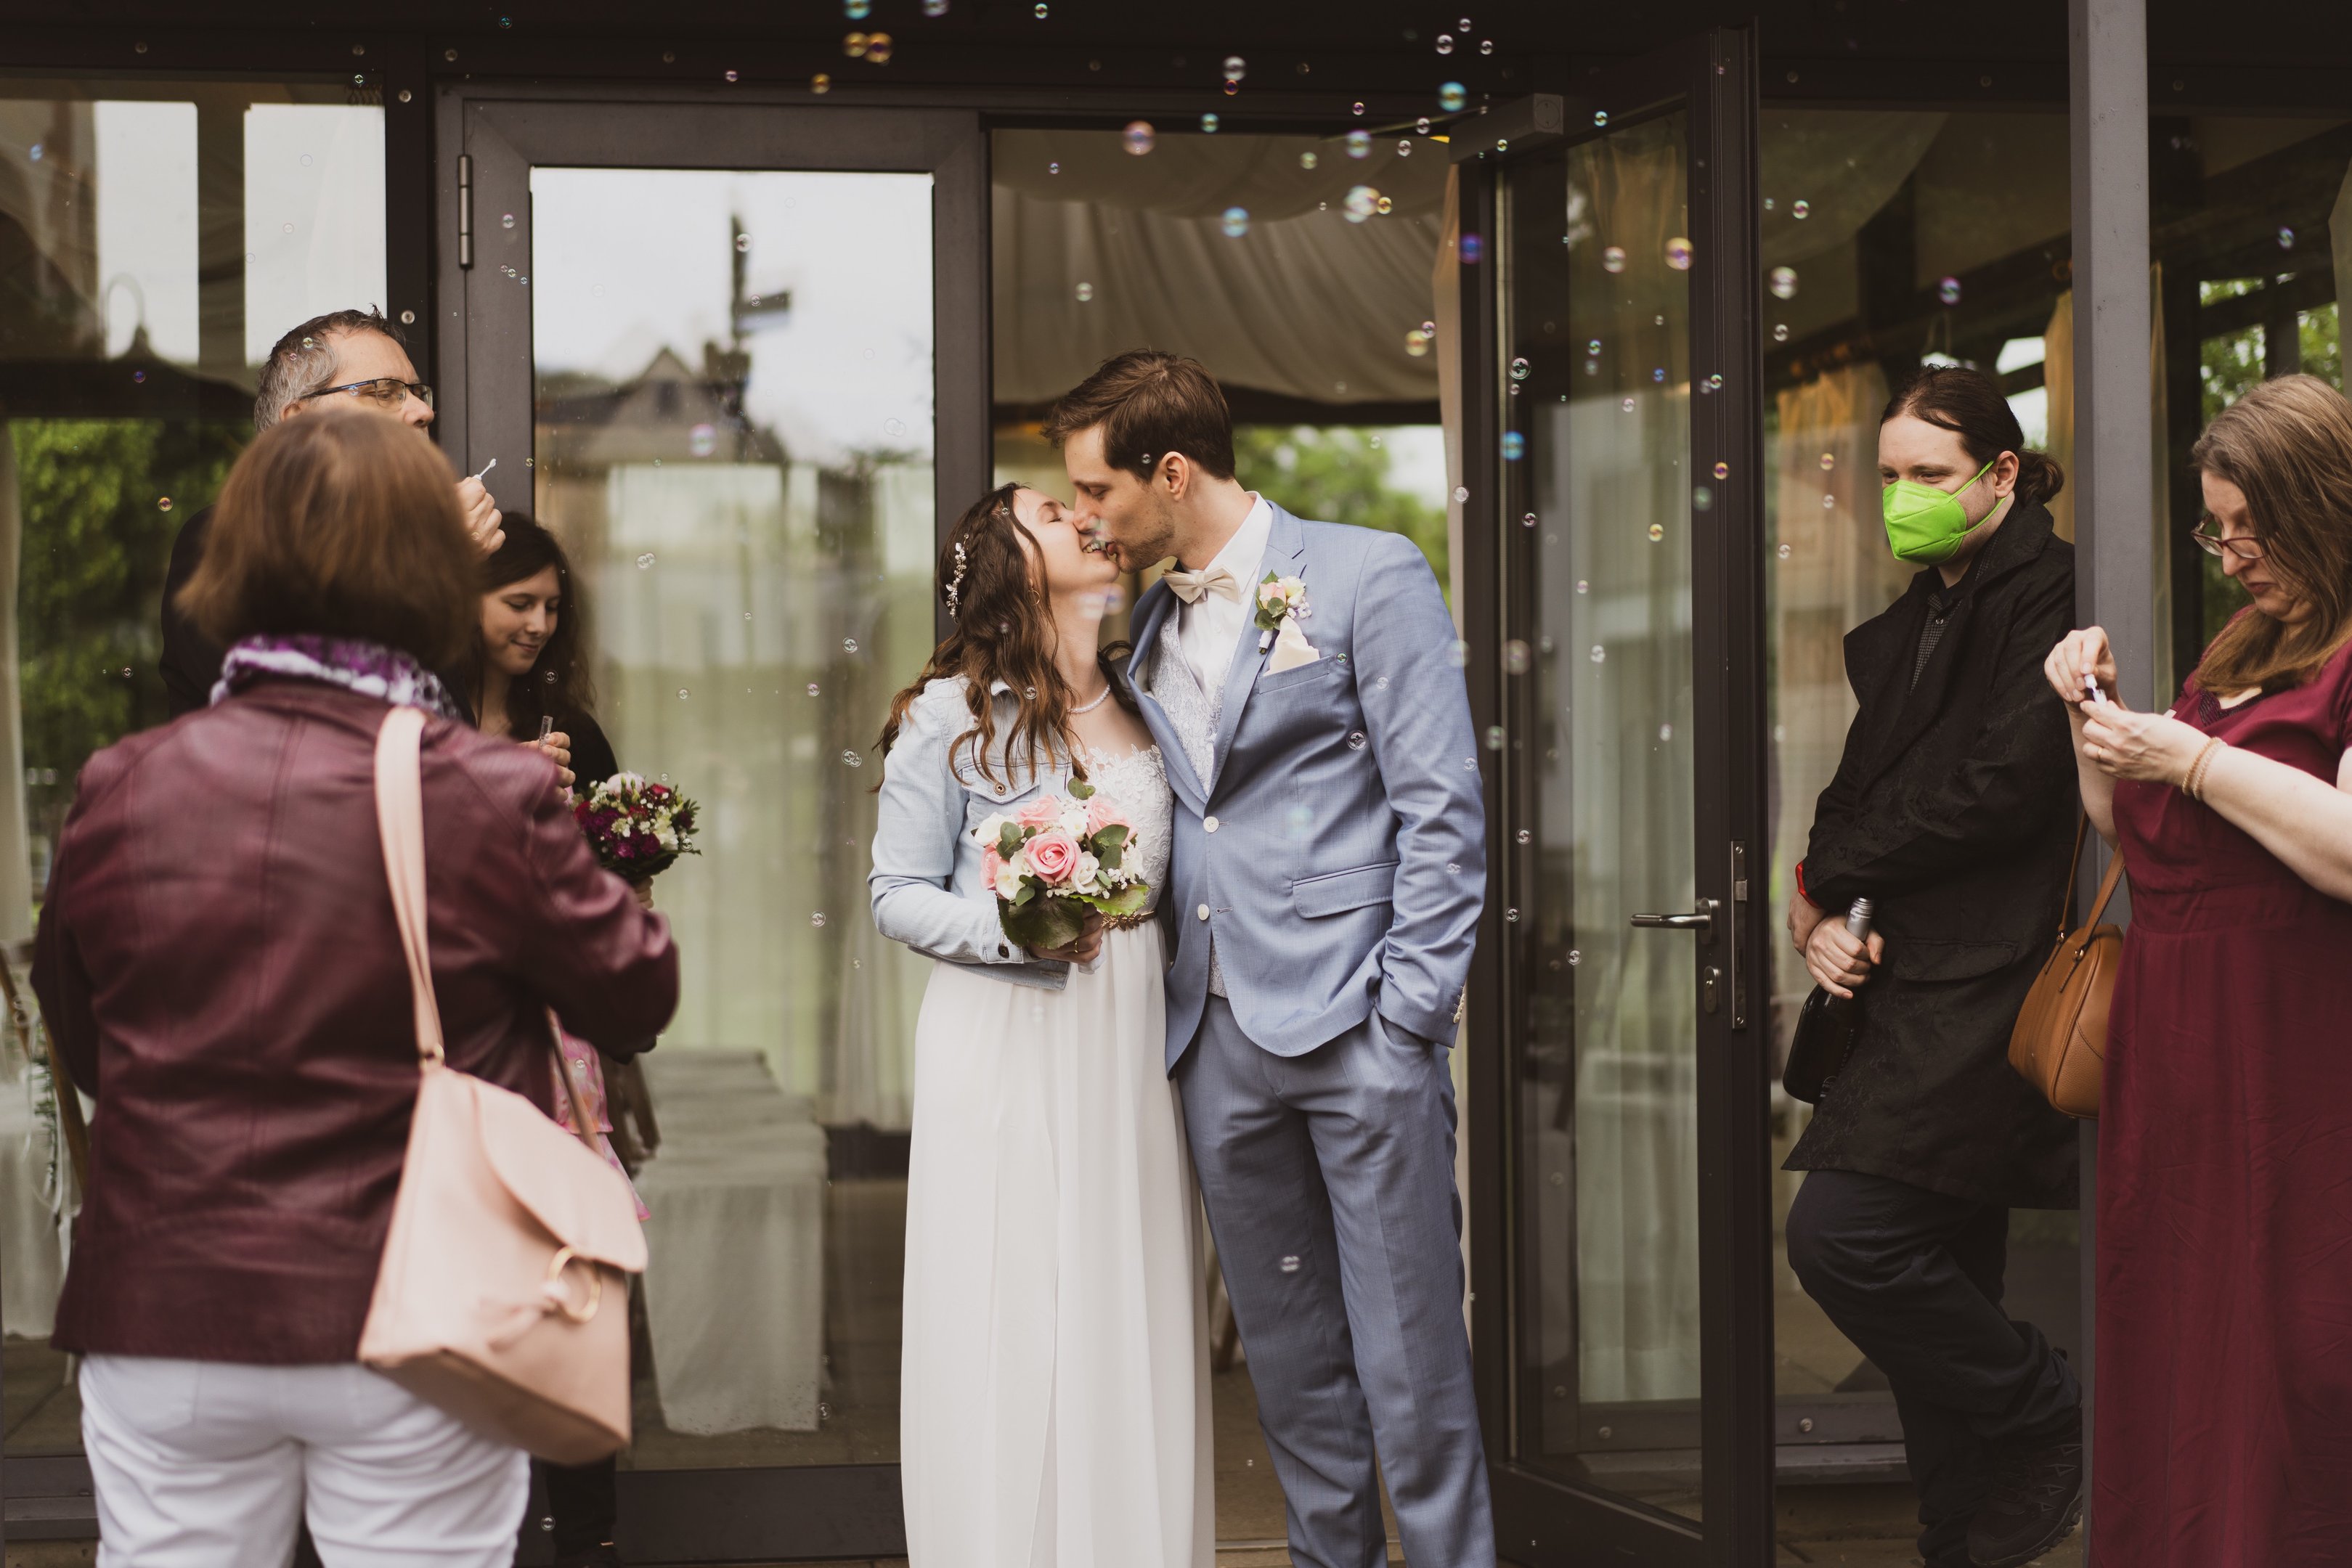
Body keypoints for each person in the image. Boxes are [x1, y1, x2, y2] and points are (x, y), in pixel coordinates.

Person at [33, 404, 677, 1567]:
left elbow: (85, 1042)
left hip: (168, 1305)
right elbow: (633, 995)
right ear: (432, 573)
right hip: (409, 1302)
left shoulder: (122, 783)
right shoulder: (482, 788)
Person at [1051, 351, 1491, 1568]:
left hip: (1358, 1032)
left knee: (1410, 1369)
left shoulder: (1366, 574)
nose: (1085, 517)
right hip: (1212, 1045)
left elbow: (1441, 811)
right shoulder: (1144, 623)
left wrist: (1405, 1019)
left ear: (1170, 473)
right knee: (1292, 1378)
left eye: (1095, 490)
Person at [2043, 372, 2352, 1567]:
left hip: (2292, 1067)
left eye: (2247, 527)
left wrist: (2183, 758)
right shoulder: (2240, 644)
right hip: (2175, 1073)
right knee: (2183, 1359)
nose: (2229, 555)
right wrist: (2098, 722)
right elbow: (2138, 838)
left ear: (2319, 502)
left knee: (2295, 1367)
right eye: (2213, 530)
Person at [871, 482, 1211, 1567]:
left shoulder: (1149, 690)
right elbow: (894, 894)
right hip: (1007, 1032)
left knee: (1124, 1295)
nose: (1083, 518)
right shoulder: (949, 714)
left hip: (1132, 1036)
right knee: (1013, 1300)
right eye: (1053, 514)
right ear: (1010, 563)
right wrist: (1021, 932)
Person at [1780, 364, 2086, 1568]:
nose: (1901, 495)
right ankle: (1959, 1537)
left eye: (1929, 474)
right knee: (1940, 1265)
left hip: (1987, 982)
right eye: (1889, 474)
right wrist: (1817, 905)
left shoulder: (2051, 589)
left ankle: (2041, 1409)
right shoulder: (1921, 611)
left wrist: (1831, 864)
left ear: (2000, 473)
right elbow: (1852, 791)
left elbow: (2001, 791)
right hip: (1909, 976)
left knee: (1842, 1237)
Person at [468, 513, 644, 1568]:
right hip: (458, 1056)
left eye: (551, 607)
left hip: (560, 1061)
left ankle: (585, 1537)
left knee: (578, 1297)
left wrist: (605, 842)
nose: (537, 624)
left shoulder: (572, 729)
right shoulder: (416, 733)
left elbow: (623, 897)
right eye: (516, 603)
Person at [160, 306, 505, 717]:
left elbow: (417, 734)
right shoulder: (223, 539)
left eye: (418, 393)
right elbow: (306, 716)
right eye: (384, 392)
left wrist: (482, 760)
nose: (423, 411)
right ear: (299, 424)